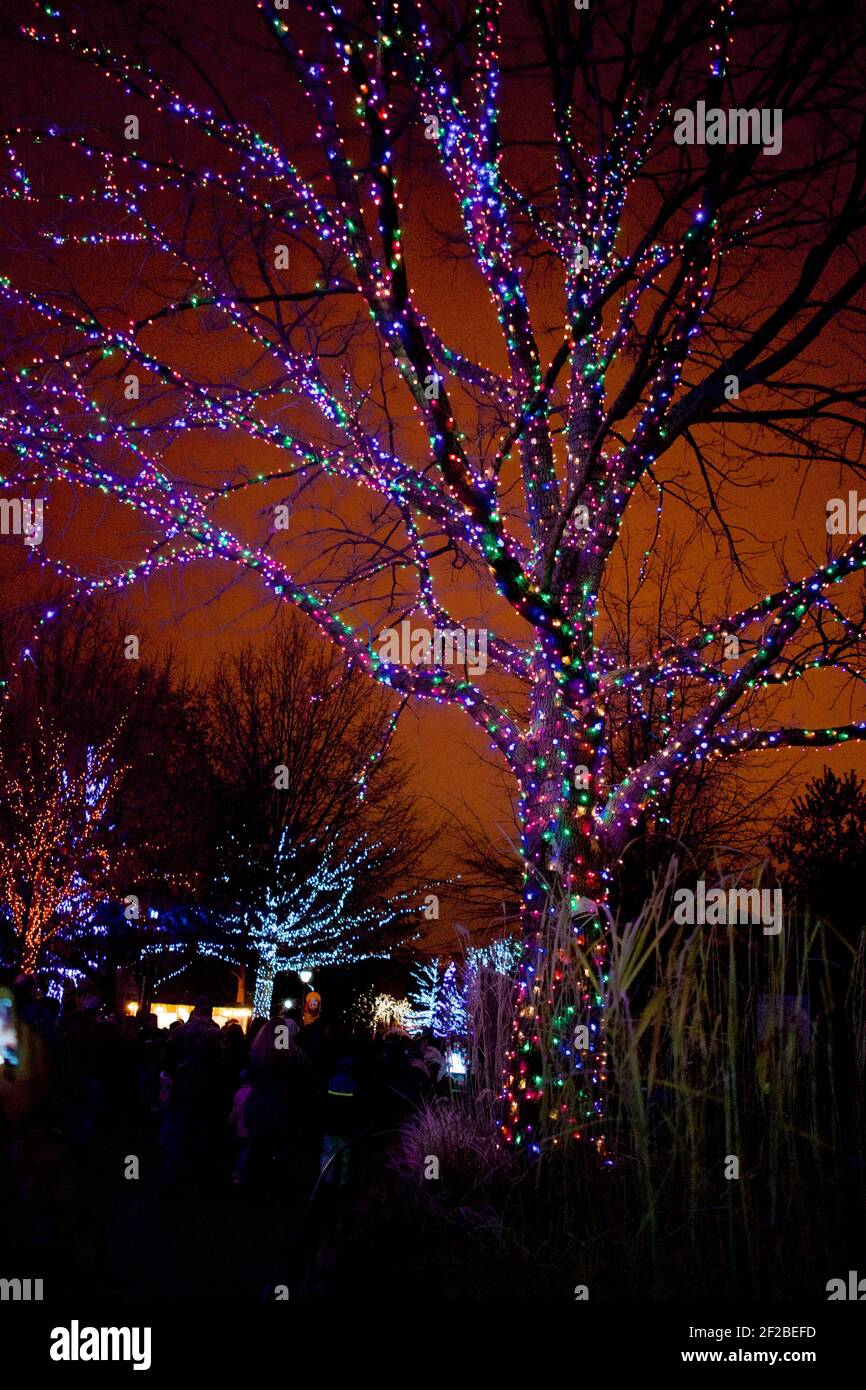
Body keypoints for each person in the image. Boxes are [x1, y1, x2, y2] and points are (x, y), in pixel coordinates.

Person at [159, 996, 225, 1188]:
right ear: (210, 1012)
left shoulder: (179, 1032)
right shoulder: (216, 1035)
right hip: (206, 1092)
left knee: (176, 1133)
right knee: (202, 1135)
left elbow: (166, 1059)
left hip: (180, 1090)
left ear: (194, 1011)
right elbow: (222, 1065)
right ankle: (197, 1179)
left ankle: (170, 1177)